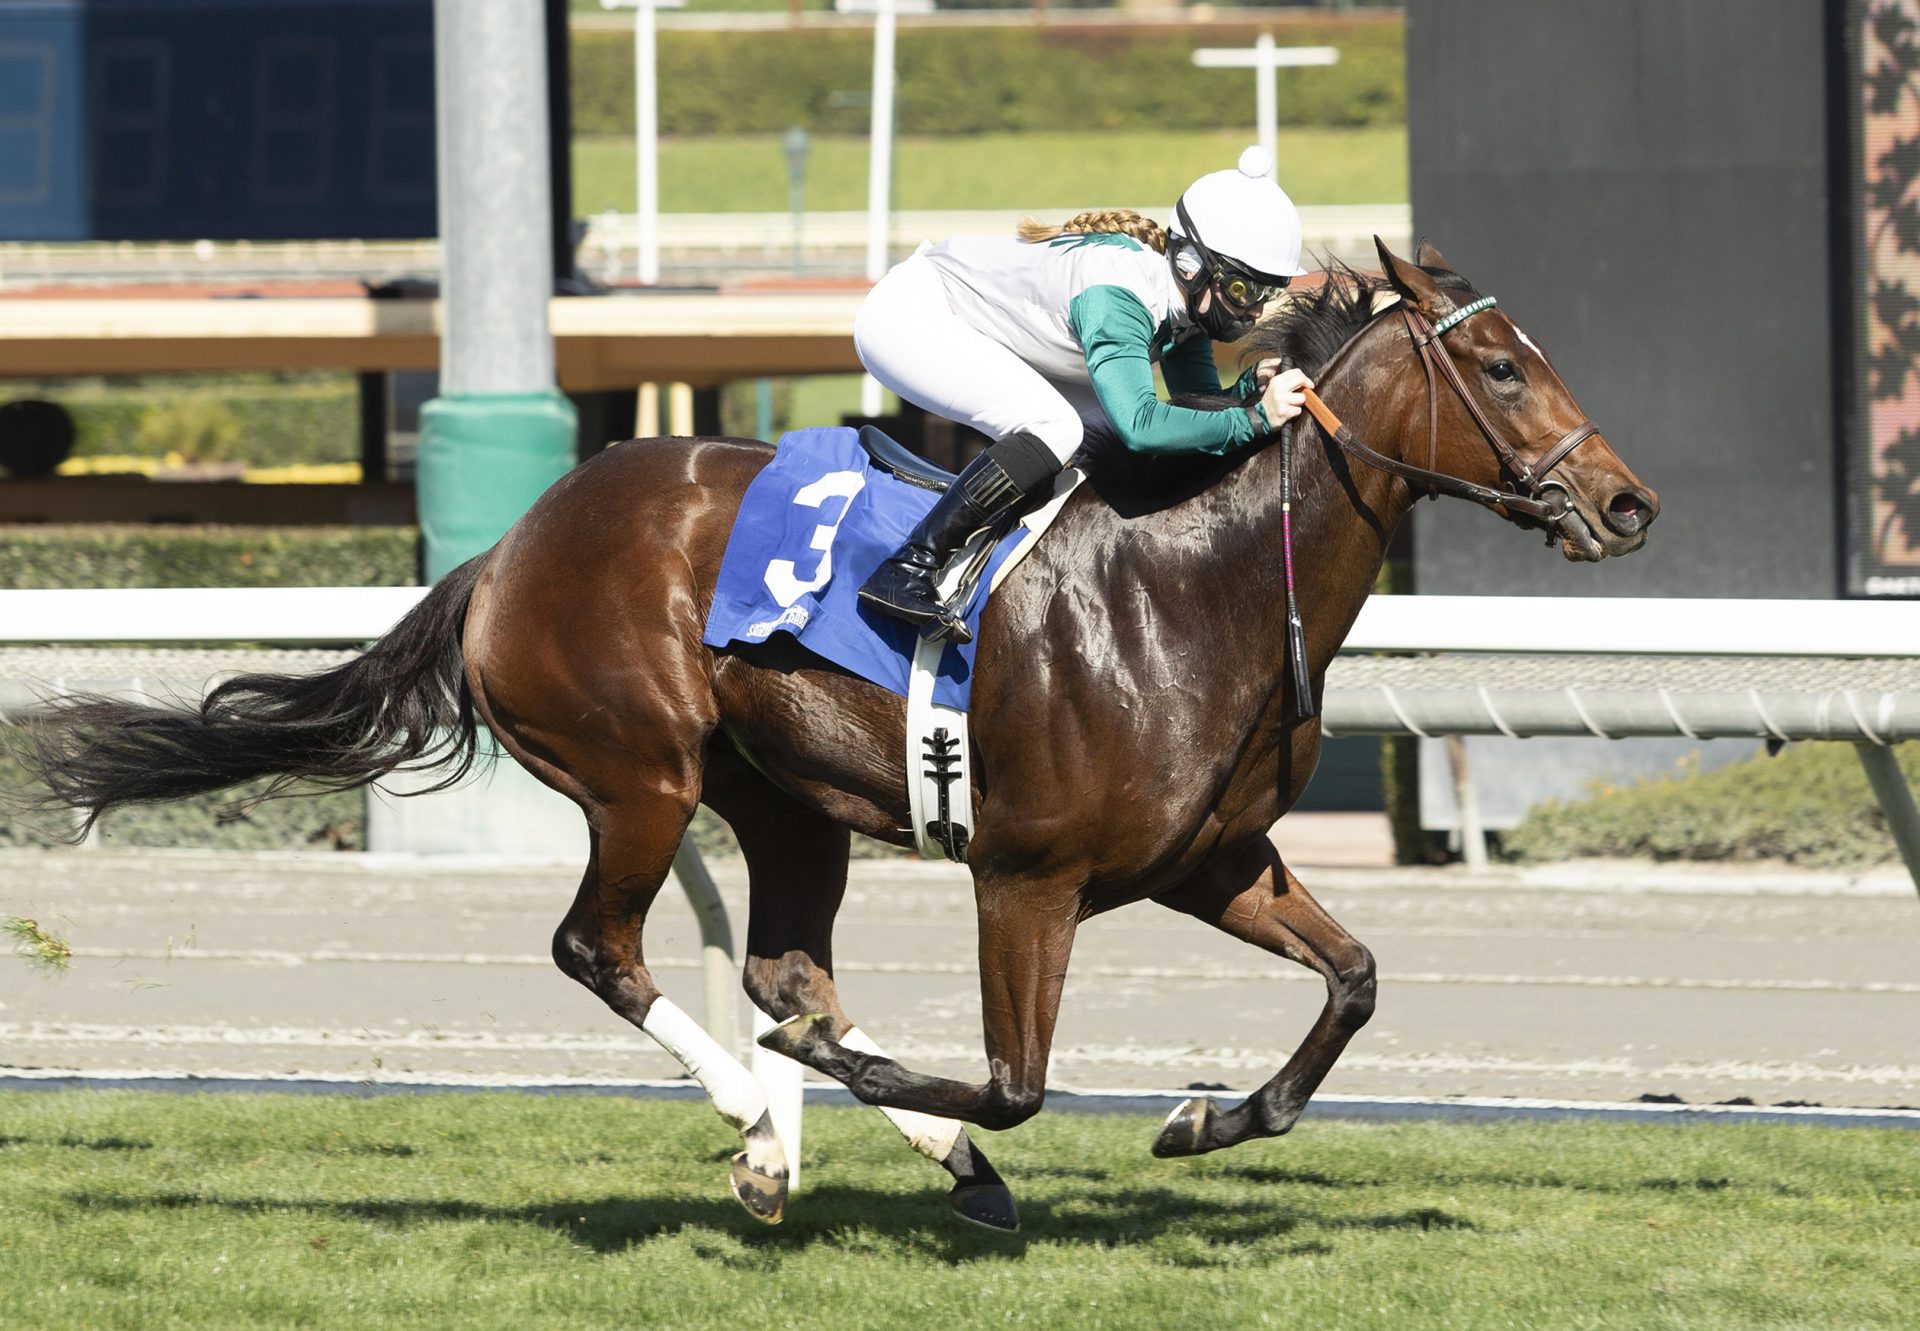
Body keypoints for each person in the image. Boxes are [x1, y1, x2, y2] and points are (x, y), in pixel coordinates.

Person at [854, 145, 1316, 633]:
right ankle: (909, 567)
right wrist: (1257, 417)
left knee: (1096, 438)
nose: (1255, 313)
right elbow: (1142, 427)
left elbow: (1194, 411)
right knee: (1056, 428)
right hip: (910, 316)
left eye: (1269, 293)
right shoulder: (1117, 296)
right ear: (1189, 264)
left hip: (979, 328)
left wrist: (1247, 390)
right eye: (1244, 291)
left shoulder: (1185, 309)